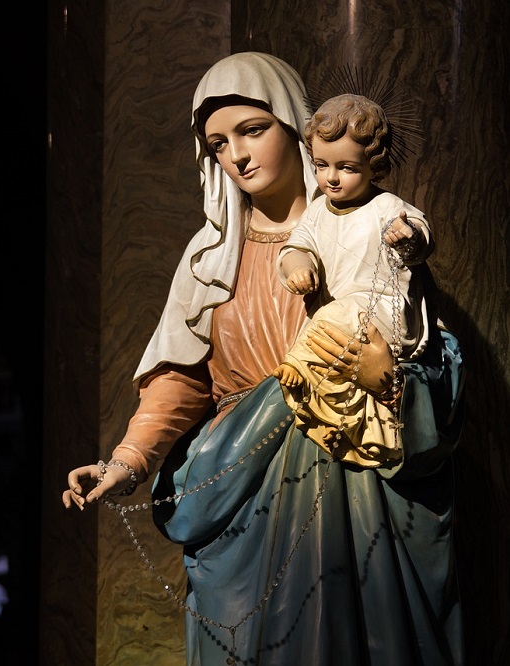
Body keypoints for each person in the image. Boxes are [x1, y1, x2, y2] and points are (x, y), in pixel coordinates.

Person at [61, 52, 464, 665]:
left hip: (357, 483)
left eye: (252, 130)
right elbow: (181, 376)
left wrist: (391, 384)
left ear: (295, 126)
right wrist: (125, 462)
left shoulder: (370, 231)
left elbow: (436, 361)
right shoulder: (210, 258)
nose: (237, 155)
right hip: (247, 490)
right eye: (218, 143)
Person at [273, 93, 434, 470]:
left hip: (381, 315)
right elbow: (296, 246)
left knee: (328, 321)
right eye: (321, 165)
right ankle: (351, 429)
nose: (330, 177)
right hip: (338, 321)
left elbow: (420, 236)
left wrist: (406, 235)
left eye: (346, 167)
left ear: (373, 166)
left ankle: (299, 368)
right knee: (324, 349)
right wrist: (298, 265)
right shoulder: (317, 211)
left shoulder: (385, 207)